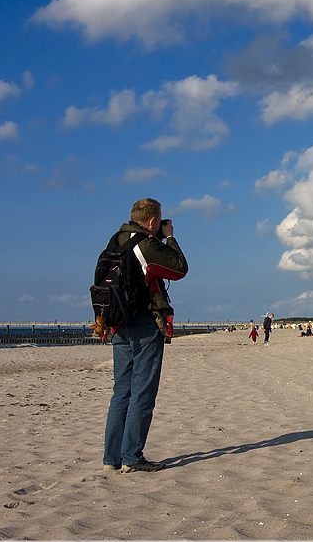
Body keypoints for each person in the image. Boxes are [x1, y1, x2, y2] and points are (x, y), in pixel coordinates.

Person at [103, 198, 188, 473]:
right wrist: (170, 238)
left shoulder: (114, 242)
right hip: (143, 323)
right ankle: (132, 457)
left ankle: (111, 459)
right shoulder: (144, 244)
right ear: (152, 221)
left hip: (117, 323)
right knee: (143, 392)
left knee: (121, 392)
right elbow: (178, 268)